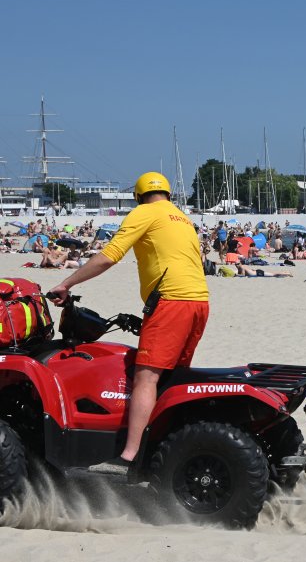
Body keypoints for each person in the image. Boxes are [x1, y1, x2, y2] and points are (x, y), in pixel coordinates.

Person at [47, 172, 209, 474]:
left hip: (171, 303)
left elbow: (110, 256)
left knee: (146, 377)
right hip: (199, 302)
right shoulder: (182, 217)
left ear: (139, 195)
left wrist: (66, 283)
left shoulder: (145, 212)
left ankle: (130, 457)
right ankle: (166, 443)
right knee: (173, 378)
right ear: (168, 194)